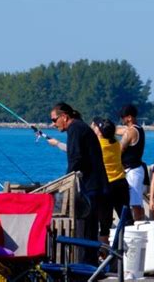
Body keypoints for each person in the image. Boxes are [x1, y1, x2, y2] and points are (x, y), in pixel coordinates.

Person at [50, 102, 108, 265]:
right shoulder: (80, 127)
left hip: (91, 186)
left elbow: (75, 158)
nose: (53, 124)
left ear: (64, 117)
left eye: (54, 120)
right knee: (90, 227)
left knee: (89, 226)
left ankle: (88, 265)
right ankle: (89, 262)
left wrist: (64, 182)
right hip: (95, 184)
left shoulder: (75, 129)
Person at [91, 117, 133, 244]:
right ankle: (129, 246)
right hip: (121, 183)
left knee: (104, 223)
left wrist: (57, 144)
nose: (92, 128)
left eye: (94, 126)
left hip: (106, 185)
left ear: (99, 131)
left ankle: (104, 253)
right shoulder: (115, 144)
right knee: (125, 217)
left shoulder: (97, 146)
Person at [117, 104, 146, 221]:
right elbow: (118, 130)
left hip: (132, 170)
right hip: (135, 169)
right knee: (136, 200)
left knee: (135, 203)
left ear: (129, 117)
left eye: (123, 117)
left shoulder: (131, 132)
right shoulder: (138, 128)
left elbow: (120, 149)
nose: (122, 120)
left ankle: (137, 225)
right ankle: (138, 224)